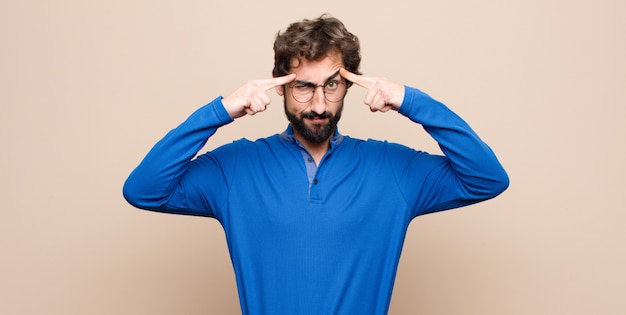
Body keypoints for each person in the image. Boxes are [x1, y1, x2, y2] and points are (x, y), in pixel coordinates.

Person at [123, 14, 509, 315]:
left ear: (348, 86)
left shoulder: (392, 169)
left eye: (332, 85)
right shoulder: (237, 167)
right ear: (280, 85)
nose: (320, 104)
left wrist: (411, 100)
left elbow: (486, 178)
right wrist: (220, 110)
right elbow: (144, 190)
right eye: (304, 86)